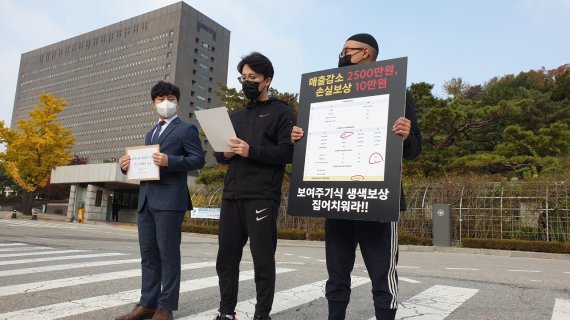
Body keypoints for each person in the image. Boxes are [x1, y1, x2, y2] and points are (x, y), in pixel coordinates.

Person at [291, 33, 422, 320]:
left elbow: (415, 149)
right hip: (335, 198)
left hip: (376, 199)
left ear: (366, 53)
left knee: (381, 273)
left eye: (348, 49)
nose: (342, 54)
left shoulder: (397, 89)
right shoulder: (324, 95)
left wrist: (407, 134)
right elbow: (314, 143)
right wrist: (299, 136)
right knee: (336, 273)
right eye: (341, 49)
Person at [213, 52, 296, 320]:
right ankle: (226, 312)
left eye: (253, 78)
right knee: (225, 259)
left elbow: (287, 153)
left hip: (262, 195)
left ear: (267, 80)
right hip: (231, 195)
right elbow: (219, 155)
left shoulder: (281, 112)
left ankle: (262, 314)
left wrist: (251, 151)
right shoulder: (235, 116)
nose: (247, 82)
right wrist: (224, 154)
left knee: (262, 260)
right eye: (243, 77)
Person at [116, 81, 205, 320]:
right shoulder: (150, 133)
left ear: (177, 102)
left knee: (168, 255)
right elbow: (147, 166)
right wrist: (127, 166)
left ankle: (166, 307)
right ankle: (148, 303)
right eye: (160, 99)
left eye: (171, 99)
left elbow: (198, 160)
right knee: (148, 255)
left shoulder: (186, 129)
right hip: (146, 199)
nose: (166, 103)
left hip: (170, 200)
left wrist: (171, 161)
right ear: (153, 103)